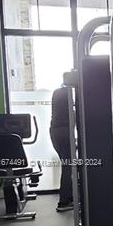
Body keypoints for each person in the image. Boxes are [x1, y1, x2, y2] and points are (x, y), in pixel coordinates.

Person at [50, 83, 73, 211]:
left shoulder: (57, 92)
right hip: (64, 131)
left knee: (68, 166)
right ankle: (64, 201)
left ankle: (69, 197)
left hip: (54, 131)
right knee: (68, 167)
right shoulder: (69, 93)